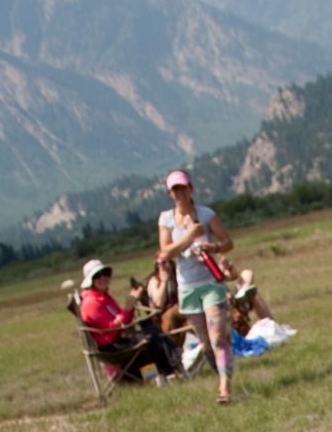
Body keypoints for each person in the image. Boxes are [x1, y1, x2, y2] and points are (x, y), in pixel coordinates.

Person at [157, 170, 235, 404]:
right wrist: (189, 236)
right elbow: (166, 252)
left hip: (210, 283)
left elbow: (228, 242)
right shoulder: (166, 220)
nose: (179, 193)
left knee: (218, 337)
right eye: (175, 189)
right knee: (205, 342)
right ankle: (222, 371)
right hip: (187, 288)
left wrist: (212, 248)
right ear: (170, 193)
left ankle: (225, 387)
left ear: (191, 189)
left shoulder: (206, 214)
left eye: (182, 188)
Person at [78, 258, 177, 384]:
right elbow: (112, 328)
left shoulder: (105, 297)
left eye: (106, 273)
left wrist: (130, 307)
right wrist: (128, 307)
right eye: (97, 276)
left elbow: (122, 321)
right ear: (90, 281)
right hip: (112, 346)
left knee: (151, 332)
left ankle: (159, 373)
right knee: (151, 335)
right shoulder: (91, 302)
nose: (103, 278)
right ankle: (172, 366)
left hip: (119, 339)